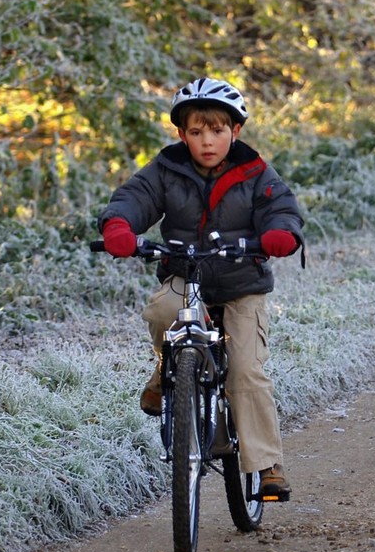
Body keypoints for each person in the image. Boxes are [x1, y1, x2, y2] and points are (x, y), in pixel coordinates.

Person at [97, 77, 304, 499]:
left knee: (246, 370)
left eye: (216, 131)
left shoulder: (255, 172)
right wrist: (119, 226)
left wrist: (280, 232)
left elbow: (280, 207)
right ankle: (165, 372)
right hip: (186, 274)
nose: (207, 141)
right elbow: (134, 197)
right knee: (160, 312)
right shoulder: (167, 168)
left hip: (241, 283)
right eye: (196, 132)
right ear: (182, 134)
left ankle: (267, 465)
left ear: (235, 131)